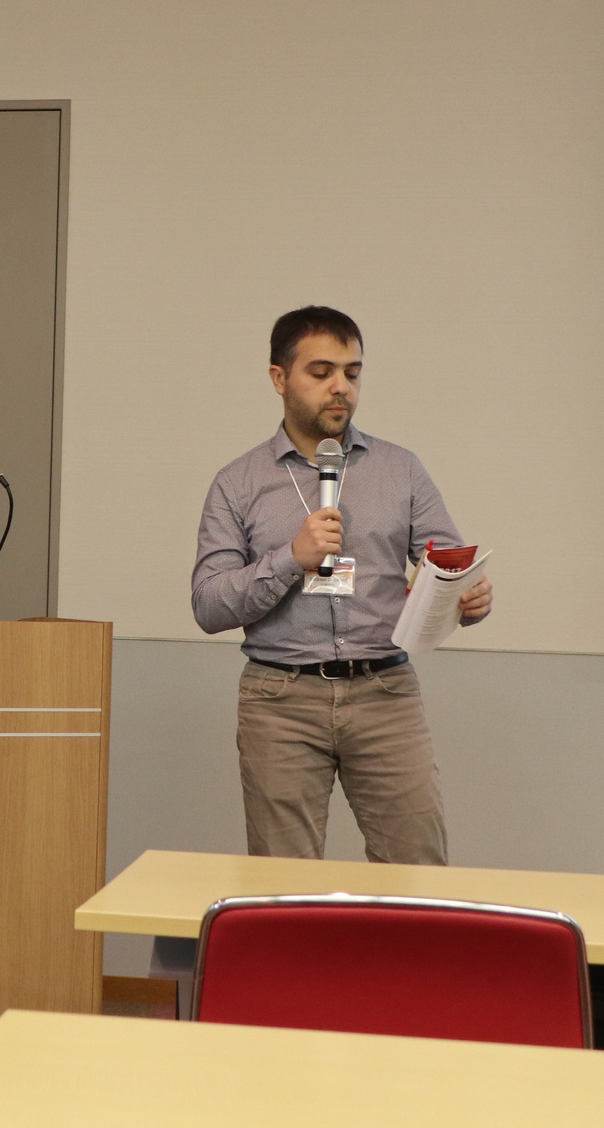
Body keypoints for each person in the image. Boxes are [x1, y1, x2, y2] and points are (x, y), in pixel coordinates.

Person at [191, 306, 493, 864]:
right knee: (283, 881)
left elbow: (445, 565)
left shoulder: (400, 469)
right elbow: (208, 605)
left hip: (385, 692)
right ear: (279, 378)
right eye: (322, 372)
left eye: (352, 373)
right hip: (279, 699)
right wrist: (291, 559)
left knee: (417, 870)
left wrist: (468, 597)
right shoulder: (238, 483)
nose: (341, 388)